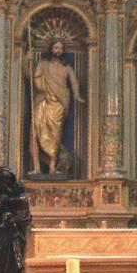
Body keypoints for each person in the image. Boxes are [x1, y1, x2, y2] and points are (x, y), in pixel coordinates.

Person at [29, 41, 84, 174]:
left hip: (59, 105)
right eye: (56, 47)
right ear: (51, 49)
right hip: (42, 101)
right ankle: (36, 167)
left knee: (55, 135)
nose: (58, 50)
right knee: (36, 132)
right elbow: (34, 79)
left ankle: (53, 167)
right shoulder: (43, 65)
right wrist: (28, 60)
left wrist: (77, 95)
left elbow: (74, 82)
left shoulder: (67, 68)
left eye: (61, 48)